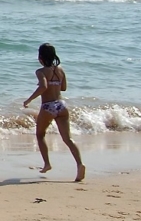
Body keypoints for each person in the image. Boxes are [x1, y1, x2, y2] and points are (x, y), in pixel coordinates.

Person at [23, 43, 85, 182]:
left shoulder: (40, 72)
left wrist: (29, 100)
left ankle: (47, 164)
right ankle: (80, 164)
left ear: (40, 57)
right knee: (67, 139)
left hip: (48, 106)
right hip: (61, 105)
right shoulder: (60, 70)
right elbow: (63, 88)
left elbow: (44, 86)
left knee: (40, 135)